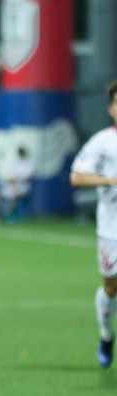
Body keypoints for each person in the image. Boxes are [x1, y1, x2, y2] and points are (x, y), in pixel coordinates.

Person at [70, 80, 117, 368]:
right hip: (112, 230)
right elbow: (77, 177)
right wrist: (109, 180)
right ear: (112, 109)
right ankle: (106, 333)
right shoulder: (103, 141)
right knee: (111, 288)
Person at [0, 146, 33, 223]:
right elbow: (11, 177)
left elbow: (26, 178)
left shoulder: (28, 164)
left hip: (23, 187)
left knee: (13, 196)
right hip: (12, 186)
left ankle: (10, 216)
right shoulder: (16, 163)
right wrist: (12, 181)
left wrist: (16, 181)